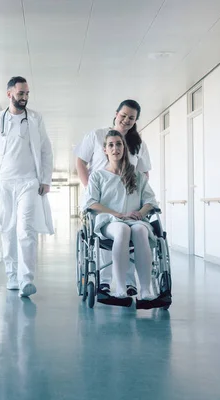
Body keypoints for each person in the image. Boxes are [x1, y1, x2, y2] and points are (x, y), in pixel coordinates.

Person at [0, 76, 54, 298]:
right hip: (3, 182)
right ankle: (12, 276)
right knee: (8, 229)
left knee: (26, 229)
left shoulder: (35, 119)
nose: (24, 97)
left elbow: (45, 150)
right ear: (9, 94)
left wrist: (45, 179)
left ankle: (26, 279)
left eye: (26, 94)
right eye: (21, 93)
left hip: (28, 182)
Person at [83, 130, 169, 309]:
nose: (115, 148)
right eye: (111, 145)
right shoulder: (98, 176)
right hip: (109, 222)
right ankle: (120, 289)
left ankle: (145, 291)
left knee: (139, 229)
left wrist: (141, 212)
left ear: (124, 147)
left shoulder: (136, 175)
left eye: (119, 144)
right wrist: (118, 215)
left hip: (135, 220)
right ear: (105, 150)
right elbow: (91, 203)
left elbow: (150, 200)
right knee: (123, 229)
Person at [74, 99, 151, 296]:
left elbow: (144, 174)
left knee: (135, 232)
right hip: (103, 200)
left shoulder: (137, 143)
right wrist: (93, 189)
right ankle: (105, 281)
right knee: (113, 233)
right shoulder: (97, 135)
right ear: (116, 113)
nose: (126, 120)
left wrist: (139, 203)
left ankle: (132, 284)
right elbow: (81, 162)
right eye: (123, 115)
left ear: (135, 121)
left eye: (131, 118)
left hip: (128, 200)